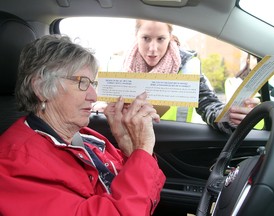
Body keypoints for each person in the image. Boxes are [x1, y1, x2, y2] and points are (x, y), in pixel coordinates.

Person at [0, 35, 165, 216]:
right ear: (41, 88)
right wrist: (142, 150)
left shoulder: (87, 138)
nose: (94, 96)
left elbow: (139, 199)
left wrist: (130, 150)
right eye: (82, 83)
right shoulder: (14, 164)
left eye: (92, 83)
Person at [123, 19, 260, 134]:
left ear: (170, 38)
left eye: (160, 39)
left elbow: (208, 104)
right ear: (136, 36)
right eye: (146, 38)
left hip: (174, 145)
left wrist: (229, 117)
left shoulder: (188, 67)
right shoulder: (119, 66)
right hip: (124, 144)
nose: (153, 48)